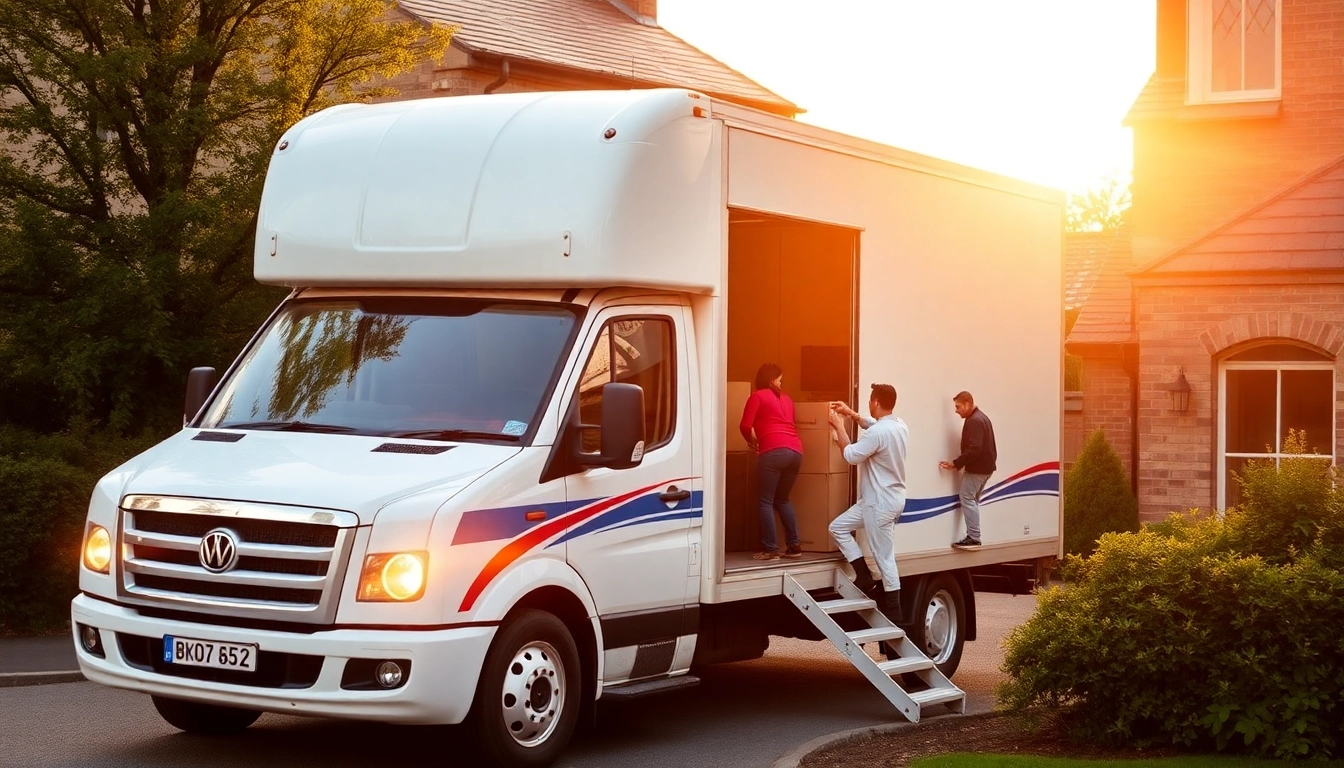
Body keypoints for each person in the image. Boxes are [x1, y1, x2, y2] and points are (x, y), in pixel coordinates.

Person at [827, 384, 908, 623]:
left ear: (875, 402)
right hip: (884, 501)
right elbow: (872, 426)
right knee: (837, 528)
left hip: (878, 505)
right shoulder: (899, 425)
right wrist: (852, 414)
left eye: (869, 401)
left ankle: (895, 615)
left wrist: (840, 426)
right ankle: (863, 576)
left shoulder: (878, 433)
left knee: (885, 559)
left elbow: (850, 455)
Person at [739, 363, 804, 560]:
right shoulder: (787, 400)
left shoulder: (757, 396)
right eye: (780, 380)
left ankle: (771, 548)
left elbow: (744, 425)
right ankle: (794, 546)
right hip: (796, 452)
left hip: (774, 451)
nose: (781, 384)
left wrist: (751, 441)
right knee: (782, 499)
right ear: (771, 380)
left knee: (765, 501)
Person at [939, 390, 997, 549]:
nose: (956, 410)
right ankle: (974, 535)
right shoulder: (982, 418)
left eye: (958, 407)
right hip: (986, 468)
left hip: (977, 469)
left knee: (966, 497)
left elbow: (974, 450)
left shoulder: (974, 421)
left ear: (967, 404)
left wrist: (955, 463)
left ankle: (974, 537)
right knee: (972, 500)